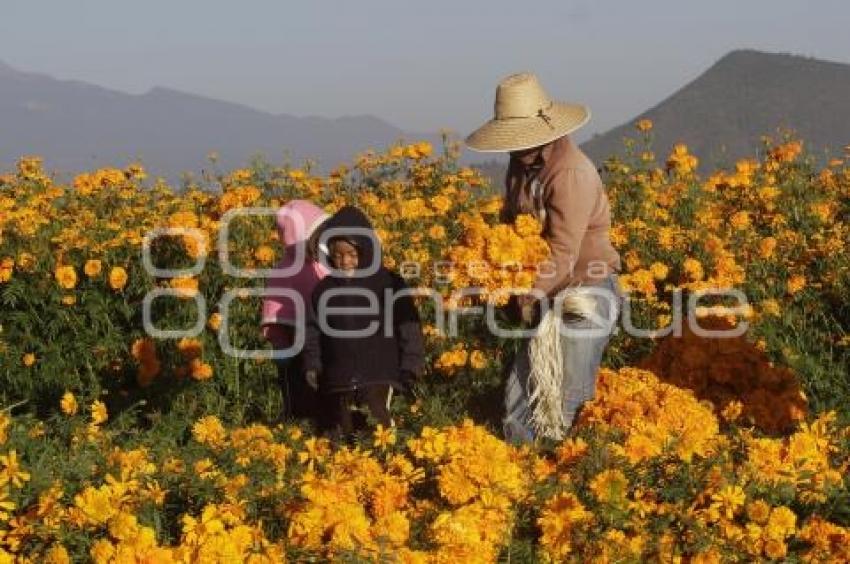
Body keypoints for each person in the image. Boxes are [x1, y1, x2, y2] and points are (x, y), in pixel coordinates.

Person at [465, 72, 624, 442]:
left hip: (586, 293)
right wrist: (493, 272)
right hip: (547, 293)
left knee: (567, 398)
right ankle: (523, 475)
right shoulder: (520, 165)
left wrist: (525, 293)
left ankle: (567, 475)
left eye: (519, 138)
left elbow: (563, 252)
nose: (514, 148)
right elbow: (512, 226)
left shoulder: (569, 172)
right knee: (520, 403)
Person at [302, 205, 425, 439]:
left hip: (379, 374)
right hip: (339, 378)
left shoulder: (388, 283)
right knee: (343, 433)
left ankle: (387, 472)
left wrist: (411, 365)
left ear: (366, 249)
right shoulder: (324, 290)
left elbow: (408, 328)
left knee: (379, 431)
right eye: (337, 255)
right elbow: (312, 331)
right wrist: (312, 364)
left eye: (352, 254)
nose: (345, 261)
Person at [260, 200, 330, 425]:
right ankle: (296, 422)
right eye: (318, 235)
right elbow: (279, 309)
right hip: (293, 340)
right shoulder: (290, 270)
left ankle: (309, 422)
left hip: (315, 338)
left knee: (316, 387)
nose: (323, 241)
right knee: (298, 386)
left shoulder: (316, 264)